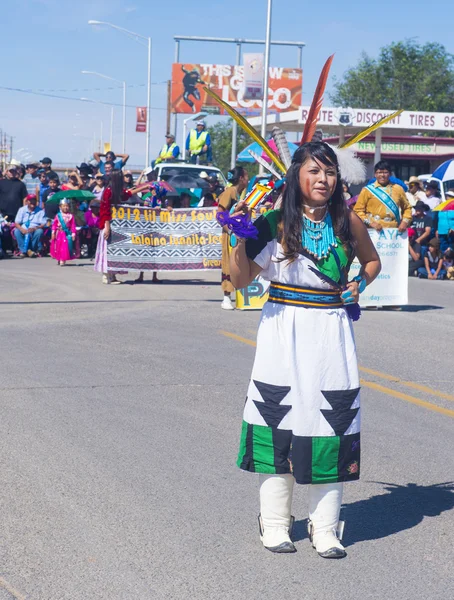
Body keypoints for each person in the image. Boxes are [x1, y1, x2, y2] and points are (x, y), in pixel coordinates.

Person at [230, 142, 381, 558]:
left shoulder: (347, 220)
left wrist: (359, 284)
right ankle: (276, 523)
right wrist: (238, 237)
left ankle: (326, 526)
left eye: (330, 173)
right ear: (297, 175)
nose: (323, 180)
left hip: (331, 334)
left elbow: (371, 262)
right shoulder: (275, 222)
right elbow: (239, 280)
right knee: (276, 418)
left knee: (331, 421)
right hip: (282, 332)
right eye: (314, 171)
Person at [217, 166, 249, 310]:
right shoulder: (229, 192)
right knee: (228, 263)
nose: (248, 179)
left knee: (239, 263)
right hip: (230, 234)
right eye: (246, 176)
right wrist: (229, 229)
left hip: (240, 233)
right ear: (241, 178)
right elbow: (219, 214)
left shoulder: (242, 194)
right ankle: (226, 297)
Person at [354, 160, 412, 232]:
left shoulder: (398, 189)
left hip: (394, 230)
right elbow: (358, 211)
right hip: (373, 231)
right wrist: (371, 223)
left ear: (390, 174)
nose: (382, 175)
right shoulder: (367, 190)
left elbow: (407, 208)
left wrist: (405, 222)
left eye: (385, 172)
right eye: (379, 172)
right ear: (375, 174)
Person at [50, 199, 76, 266]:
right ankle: (59, 257)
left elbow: (73, 225)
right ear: (60, 207)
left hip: (66, 234)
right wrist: (53, 232)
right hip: (59, 233)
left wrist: (73, 234)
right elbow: (54, 225)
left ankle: (62, 259)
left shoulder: (71, 216)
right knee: (58, 246)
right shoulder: (58, 215)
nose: (65, 207)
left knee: (65, 247)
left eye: (67, 206)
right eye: (64, 206)